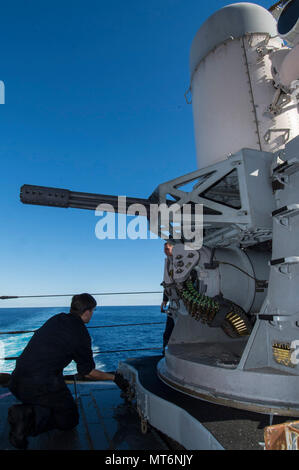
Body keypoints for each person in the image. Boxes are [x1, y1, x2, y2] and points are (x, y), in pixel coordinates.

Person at [7, 293, 126, 449]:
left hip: (16, 382)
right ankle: (27, 418)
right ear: (88, 311)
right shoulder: (81, 333)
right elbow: (87, 372)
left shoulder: (57, 318)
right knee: (69, 420)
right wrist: (115, 378)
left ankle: (33, 410)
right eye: (93, 311)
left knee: (54, 399)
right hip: (39, 385)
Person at [161, 241, 175, 355]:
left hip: (182, 302)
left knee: (172, 330)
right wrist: (165, 300)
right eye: (164, 249)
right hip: (174, 302)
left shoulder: (181, 262)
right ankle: (165, 353)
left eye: (167, 248)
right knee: (168, 331)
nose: (165, 251)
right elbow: (167, 282)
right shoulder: (168, 262)